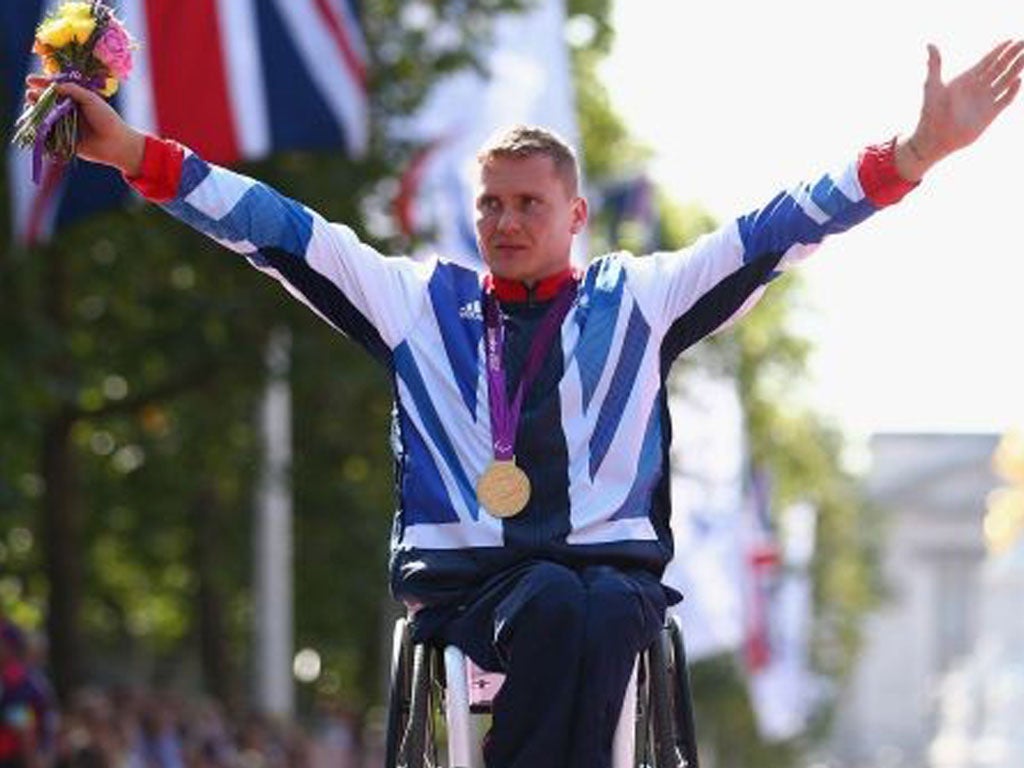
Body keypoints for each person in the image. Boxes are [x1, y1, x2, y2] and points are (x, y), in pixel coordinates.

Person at [24, 39, 1023, 768]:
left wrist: (913, 153)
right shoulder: (419, 303)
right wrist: (138, 156)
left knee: (588, 602)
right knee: (556, 600)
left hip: (613, 578)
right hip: (473, 584)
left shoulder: (639, 297)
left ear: (575, 214)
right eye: (489, 204)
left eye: (528, 204)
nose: (503, 221)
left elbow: (775, 231)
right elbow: (281, 231)